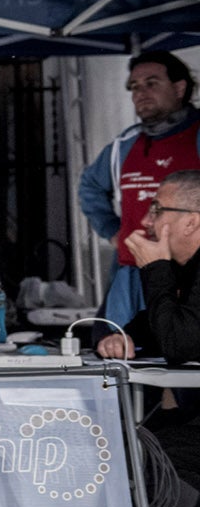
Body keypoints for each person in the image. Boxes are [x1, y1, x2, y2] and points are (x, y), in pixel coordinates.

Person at [95, 169, 200, 507]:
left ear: (191, 220)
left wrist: (154, 269)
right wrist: (122, 338)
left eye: (157, 209)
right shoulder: (185, 270)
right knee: (128, 450)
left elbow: (180, 341)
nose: (145, 220)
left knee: (137, 457)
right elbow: (157, 328)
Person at [81, 52, 200, 329]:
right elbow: (90, 187)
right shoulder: (125, 144)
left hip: (187, 279)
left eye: (151, 83)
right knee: (118, 351)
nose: (140, 93)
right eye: (134, 87)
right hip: (131, 274)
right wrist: (112, 231)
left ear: (179, 88)